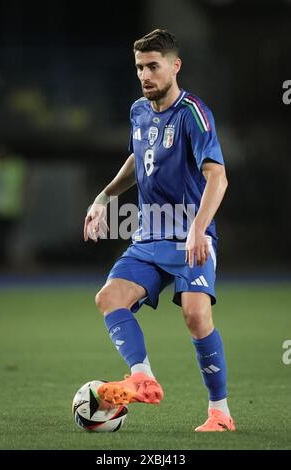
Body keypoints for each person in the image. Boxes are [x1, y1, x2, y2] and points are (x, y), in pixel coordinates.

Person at [83, 29, 235, 432]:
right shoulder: (139, 110)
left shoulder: (193, 114)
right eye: (139, 68)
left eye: (153, 66)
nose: (145, 75)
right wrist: (104, 197)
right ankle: (141, 375)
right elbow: (139, 156)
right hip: (148, 236)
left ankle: (220, 412)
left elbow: (217, 177)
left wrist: (199, 229)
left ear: (174, 65)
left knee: (196, 315)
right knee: (109, 297)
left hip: (190, 236)